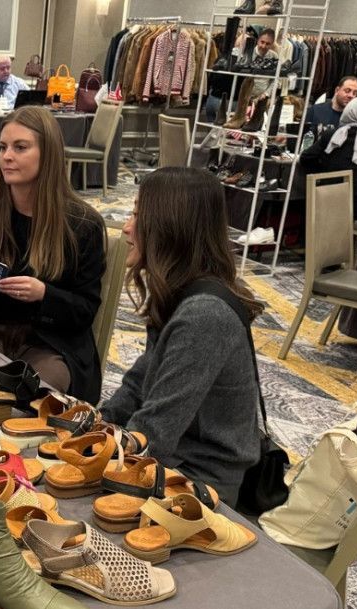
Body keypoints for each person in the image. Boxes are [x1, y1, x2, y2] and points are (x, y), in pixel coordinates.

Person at [98, 167, 261, 507]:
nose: (126, 227)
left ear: (169, 228)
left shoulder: (204, 315)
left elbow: (155, 433)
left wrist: (101, 452)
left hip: (201, 481)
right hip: (179, 458)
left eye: (138, 216)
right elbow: (139, 384)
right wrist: (99, 424)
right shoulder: (181, 291)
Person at [0, 106, 106, 402]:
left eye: (20, 148)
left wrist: (44, 295)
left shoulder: (82, 224)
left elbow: (85, 310)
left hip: (50, 343)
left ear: (48, 155)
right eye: (3, 147)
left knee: (26, 399)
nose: (6, 156)